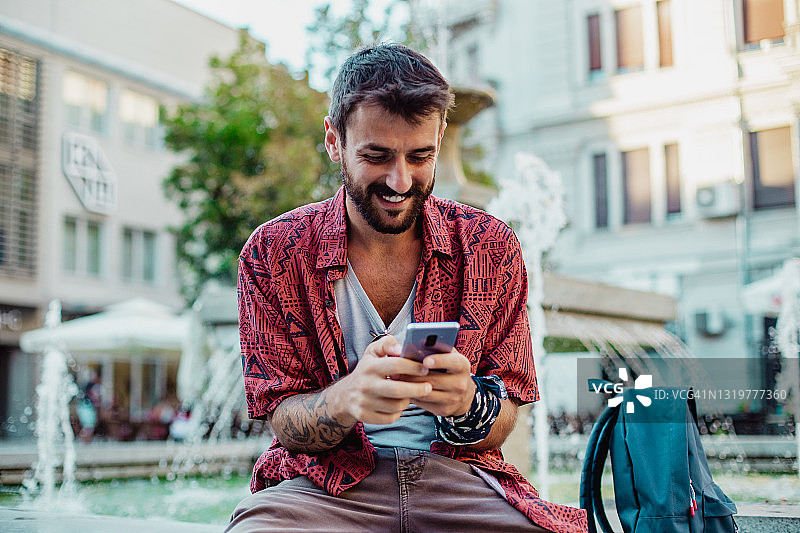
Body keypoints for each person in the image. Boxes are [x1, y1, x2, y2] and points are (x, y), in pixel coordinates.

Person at [229, 43, 587, 533]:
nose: (401, 180)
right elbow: (281, 419)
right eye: (376, 156)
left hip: (460, 479)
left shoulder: (490, 245)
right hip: (323, 488)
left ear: (441, 136)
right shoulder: (276, 251)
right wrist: (347, 398)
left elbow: (508, 414)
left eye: (421, 156)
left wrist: (467, 403)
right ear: (334, 141)